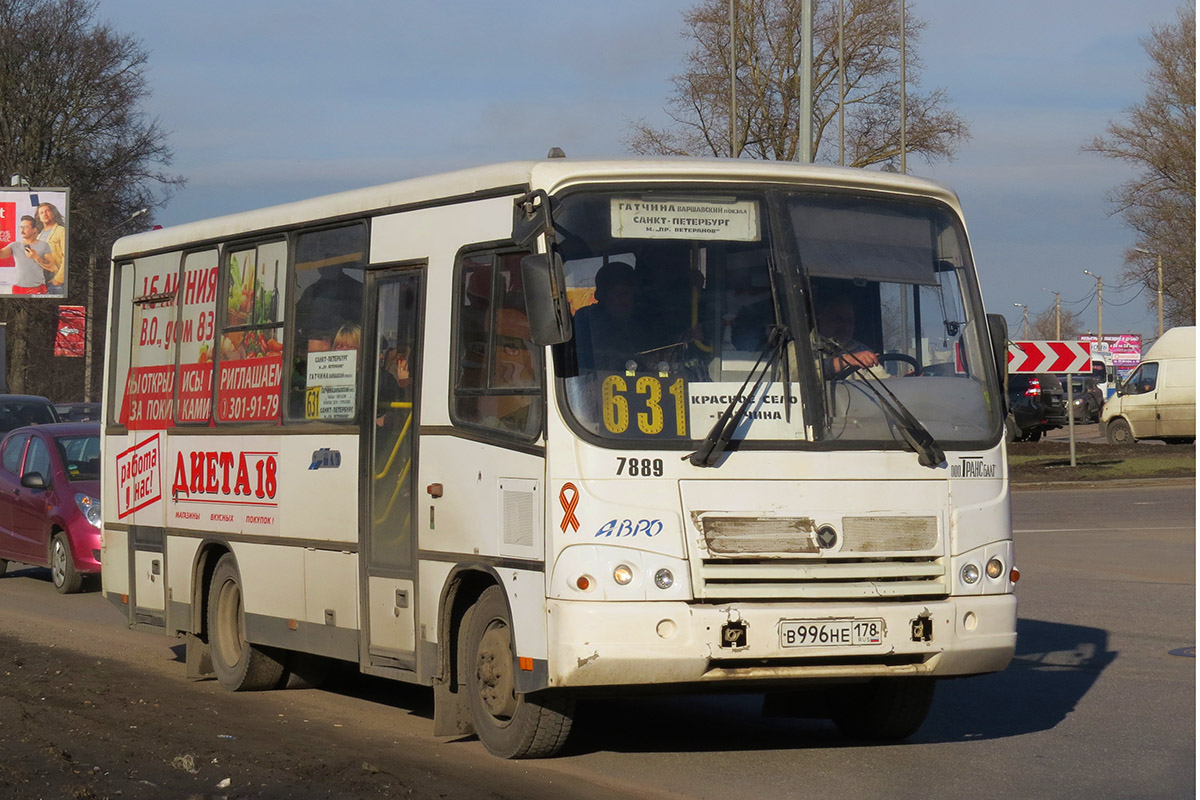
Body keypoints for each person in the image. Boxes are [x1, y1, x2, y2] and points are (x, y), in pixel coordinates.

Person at [572, 261, 646, 372]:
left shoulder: (643, 323)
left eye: (626, 293)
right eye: (615, 293)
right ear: (602, 296)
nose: (621, 300)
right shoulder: (586, 320)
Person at [815, 291, 879, 375]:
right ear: (821, 319)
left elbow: (881, 377)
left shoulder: (862, 350)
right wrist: (848, 360)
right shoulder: (800, 348)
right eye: (838, 320)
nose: (846, 327)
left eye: (850, 321)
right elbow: (800, 374)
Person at [0, 215, 51, 294]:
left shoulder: (44, 245)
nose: (22, 230)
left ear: (34, 230)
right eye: (21, 227)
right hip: (18, 289)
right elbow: (1, 255)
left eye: (25, 227)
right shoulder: (14, 246)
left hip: (38, 289)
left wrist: (36, 257)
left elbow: (52, 267)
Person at [35, 203, 66, 295]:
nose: (45, 214)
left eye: (47, 211)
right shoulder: (39, 235)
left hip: (55, 281)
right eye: (41, 213)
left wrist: (58, 279)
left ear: (53, 213)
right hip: (41, 282)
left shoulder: (61, 231)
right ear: (39, 217)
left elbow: (66, 257)